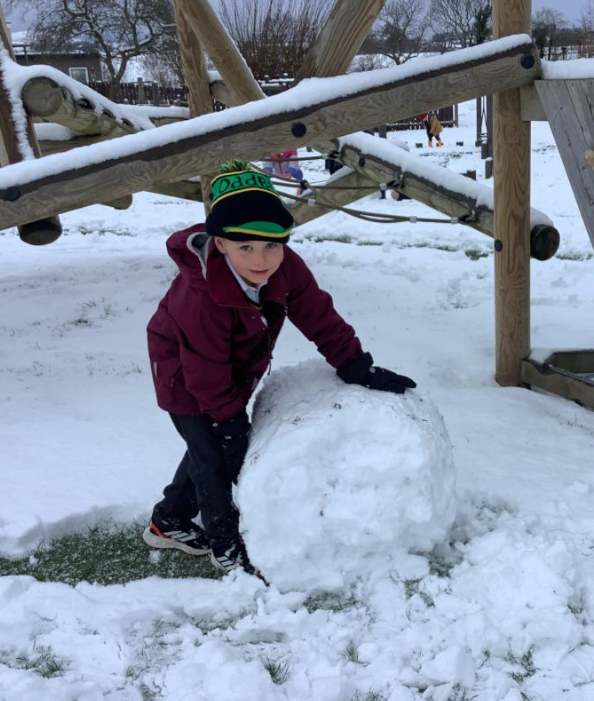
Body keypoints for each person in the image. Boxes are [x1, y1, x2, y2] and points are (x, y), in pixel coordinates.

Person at [143, 160, 416, 580]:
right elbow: (204, 367)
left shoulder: (285, 268)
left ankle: (169, 519)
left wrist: (355, 365)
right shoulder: (202, 295)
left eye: (272, 245)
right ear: (221, 244)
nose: (262, 259)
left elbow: (318, 314)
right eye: (246, 247)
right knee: (214, 457)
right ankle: (223, 543)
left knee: (204, 447)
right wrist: (228, 419)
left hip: (229, 371)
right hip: (183, 374)